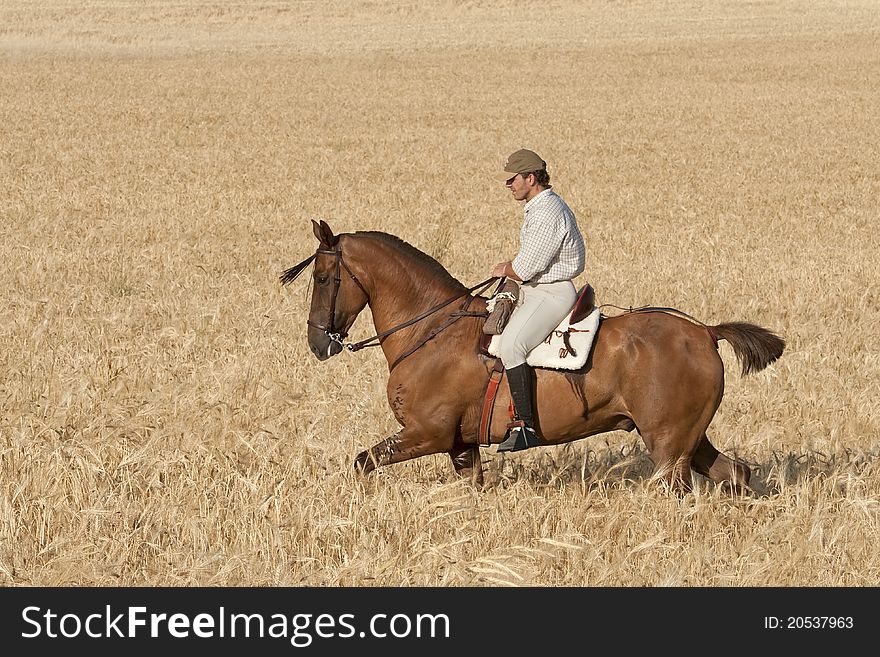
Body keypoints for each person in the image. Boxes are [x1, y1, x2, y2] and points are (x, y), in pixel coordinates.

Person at [491, 149, 586, 452]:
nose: (509, 185)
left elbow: (526, 267)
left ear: (530, 179)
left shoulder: (547, 212)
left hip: (551, 292)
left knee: (511, 345)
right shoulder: (539, 206)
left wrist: (507, 268)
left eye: (513, 179)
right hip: (537, 290)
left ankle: (525, 426)